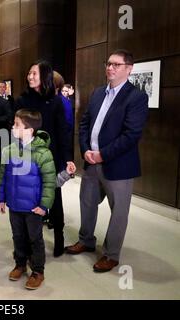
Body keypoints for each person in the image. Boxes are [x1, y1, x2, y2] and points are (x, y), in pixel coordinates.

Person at [65, 49, 149, 272]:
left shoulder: (136, 97)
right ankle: (86, 240)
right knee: (87, 203)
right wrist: (85, 150)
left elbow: (131, 135)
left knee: (119, 211)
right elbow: (84, 124)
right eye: (108, 63)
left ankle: (111, 254)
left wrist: (103, 154)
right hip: (91, 162)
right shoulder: (98, 93)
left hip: (118, 165)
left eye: (116, 65)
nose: (110, 68)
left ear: (129, 69)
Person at [15, 60, 74, 257]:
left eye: (34, 73)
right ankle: (32, 241)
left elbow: (62, 132)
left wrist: (67, 159)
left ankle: (59, 236)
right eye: (29, 73)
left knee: (54, 199)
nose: (30, 77)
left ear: (45, 77)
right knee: (31, 200)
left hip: (51, 157)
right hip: (28, 159)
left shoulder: (55, 102)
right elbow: (15, 130)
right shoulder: (22, 100)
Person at [0, 109, 56, 290]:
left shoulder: (43, 154)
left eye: (17, 125)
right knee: (18, 236)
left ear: (29, 130)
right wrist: (1, 197)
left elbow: (49, 182)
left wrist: (44, 205)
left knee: (35, 238)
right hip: (14, 205)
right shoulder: (9, 150)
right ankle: (20, 264)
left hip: (33, 208)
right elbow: (3, 176)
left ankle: (38, 271)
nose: (13, 127)